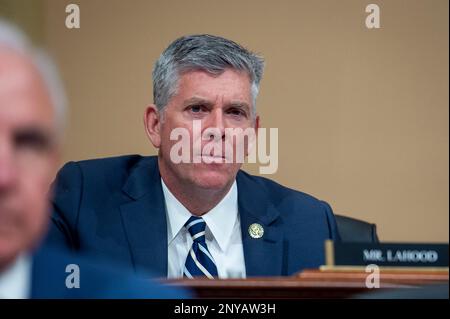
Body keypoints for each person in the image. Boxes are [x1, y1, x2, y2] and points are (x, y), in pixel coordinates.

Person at [45, 34, 340, 279]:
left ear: (252, 132)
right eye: (197, 109)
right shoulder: (84, 200)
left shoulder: (309, 225)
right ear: (155, 125)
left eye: (235, 113)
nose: (217, 130)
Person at [0, 20, 189, 298]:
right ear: (155, 123)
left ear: (53, 159)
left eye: (28, 143)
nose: (5, 177)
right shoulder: (84, 190)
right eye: (196, 109)